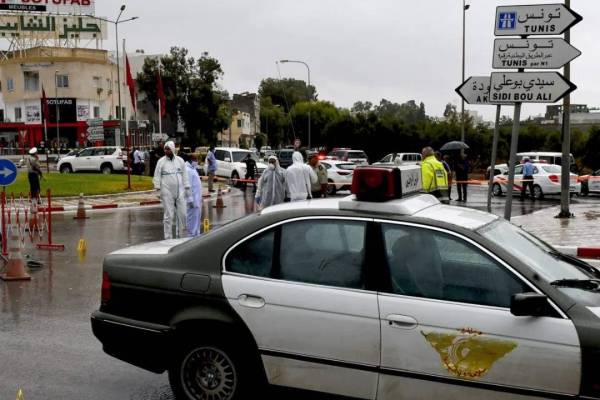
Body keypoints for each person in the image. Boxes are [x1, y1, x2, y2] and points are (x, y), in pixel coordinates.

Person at [153, 141, 190, 239]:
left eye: (168, 149)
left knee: (183, 215)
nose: (166, 151)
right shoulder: (161, 162)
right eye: (165, 149)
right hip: (167, 191)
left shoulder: (180, 161)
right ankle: (168, 238)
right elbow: (157, 175)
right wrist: (157, 188)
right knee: (169, 216)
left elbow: (185, 175)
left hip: (180, 192)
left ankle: (183, 237)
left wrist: (187, 187)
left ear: (173, 149)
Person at [184, 154, 203, 237]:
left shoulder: (193, 169)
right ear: (191, 160)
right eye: (195, 160)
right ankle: (190, 236)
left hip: (197, 200)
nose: (197, 162)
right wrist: (190, 199)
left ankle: (196, 234)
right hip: (192, 201)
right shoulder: (187, 170)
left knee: (196, 219)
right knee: (191, 220)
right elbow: (188, 186)